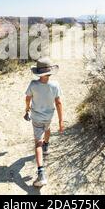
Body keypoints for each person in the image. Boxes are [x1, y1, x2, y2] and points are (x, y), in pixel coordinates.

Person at [24, 57, 64, 187]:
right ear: (50, 72)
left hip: (36, 118)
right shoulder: (55, 85)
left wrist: (27, 109)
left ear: (38, 73)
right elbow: (58, 103)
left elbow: (28, 98)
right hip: (49, 116)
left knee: (37, 144)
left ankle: (41, 173)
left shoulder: (33, 84)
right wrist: (60, 121)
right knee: (47, 129)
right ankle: (46, 145)